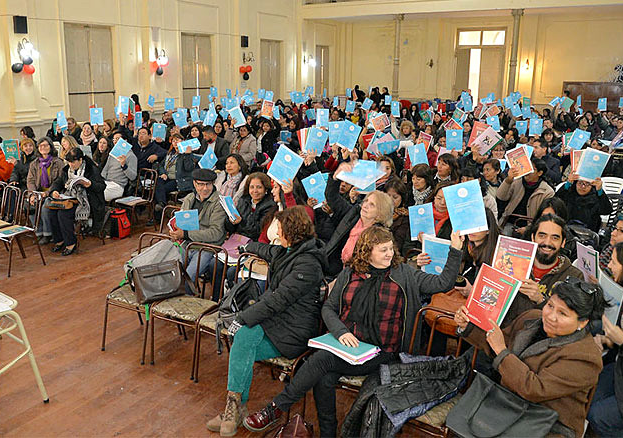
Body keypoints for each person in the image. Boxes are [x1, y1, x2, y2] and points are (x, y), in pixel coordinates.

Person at [244, 225, 464, 436]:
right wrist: (340, 332)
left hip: (384, 352)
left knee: (321, 361)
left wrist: (455, 250)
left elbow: (442, 284)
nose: (390, 253)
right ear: (367, 251)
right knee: (325, 378)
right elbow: (329, 308)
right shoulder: (351, 273)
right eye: (383, 249)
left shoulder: (405, 274)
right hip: (349, 346)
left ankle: (277, 407)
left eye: (391, 248)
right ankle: (327, 433)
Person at [206, 206, 326, 437]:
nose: (276, 234)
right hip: (276, 323)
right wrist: (247, 246)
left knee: (242, 338)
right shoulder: (287, 251)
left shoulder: (308, 265)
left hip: (294, 332)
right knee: (243, 339)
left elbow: (277, 300)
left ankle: (234, 411)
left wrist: (241, 318)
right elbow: (266, 250)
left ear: (291, 233)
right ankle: (235, 407)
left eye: (279, 230)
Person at [454, 277, 606, 438]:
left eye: (563, 313)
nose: (550, 316)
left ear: (582, 323)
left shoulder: (585, 357)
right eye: (550, 306)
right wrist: (467, 326)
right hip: (508, 402)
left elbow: (534, 389)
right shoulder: (532, 317)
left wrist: (501, 350)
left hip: (547, 423)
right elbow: (499, 346)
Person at [588, 241, 623, 436]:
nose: (608, 266)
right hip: (622, 368)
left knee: (598, 415)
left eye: (614, 262)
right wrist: (609, 340)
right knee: (589, 394)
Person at [505, 214, 584, 326]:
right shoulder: (511, 263)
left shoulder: (574, 276)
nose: (547, 243)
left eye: (555, 238)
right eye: (542, 236)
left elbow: (567, 323)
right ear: (533, 238)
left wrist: (541, 300)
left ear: (563, 243)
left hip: (538, 340)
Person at [323, 161, 395, 277]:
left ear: (380, 213)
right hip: (332, 265)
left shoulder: (379, 236)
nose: (365, 205)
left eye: (372, 205)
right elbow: (332, 197)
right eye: (366, 201)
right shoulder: (354, 213)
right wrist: (335, 176)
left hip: (354, 278)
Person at [168, 168, 227, 284]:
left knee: (188, 278)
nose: (204, 188)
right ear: (195, 184)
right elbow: (181, 223)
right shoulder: (190, 198)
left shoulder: (218, 202)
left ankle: (184, 300)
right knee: (171, 271)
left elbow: (216, 233)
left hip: (207, 247)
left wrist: (185, 234)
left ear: (213, 184)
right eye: (200, 184)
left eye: (208, 184)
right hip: (187, 244)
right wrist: (176, 231)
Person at [46, 148, 106, 256]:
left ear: (80, 160)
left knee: (63, 214)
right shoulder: (67, 170)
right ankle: (59, 240)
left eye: (73, 162)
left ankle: (71, 243)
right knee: (51, 212)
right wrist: (54, 191)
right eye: (69, 162)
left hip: (87, 202)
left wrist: (90, 185)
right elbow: (58, 182)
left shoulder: (91, 169)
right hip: (71, 199)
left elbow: (102, 187)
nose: (71, 164)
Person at [497, 158, 554, 229]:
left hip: (532, 226)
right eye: (526, 168)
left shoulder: (547, 191)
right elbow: (501, 197)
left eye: (531, 169)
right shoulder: (516, 181)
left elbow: (544, 217)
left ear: (540, 173)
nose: (527, 172)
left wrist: (529, 228)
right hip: (509, 222)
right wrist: (508, 180)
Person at [27, 137, 66, 244]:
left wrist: (48, 192)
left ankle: (47, 234)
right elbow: (30, 181)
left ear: (50, 147)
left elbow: (59, 180)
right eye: (41, 146)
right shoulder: (34, 163)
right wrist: (33, 194)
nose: (43, 148)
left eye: (45, 145)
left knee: (45, 207)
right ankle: (38, 232)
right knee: (29, 206)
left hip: (53, 192)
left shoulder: (58, 162)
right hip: (38, 192)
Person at [100, 138, 137, 202]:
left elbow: (133, 177)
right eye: (114, 139)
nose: (115, 141)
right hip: (106, 182)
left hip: (118, 185)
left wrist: (124, 165)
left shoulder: (131, 156)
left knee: (98, 194)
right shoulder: (113, 154)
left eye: (118, 139)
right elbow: (105, 170)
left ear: (125, 141)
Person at [385, 178, 410, 255]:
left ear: (402, 198)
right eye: (388, 196)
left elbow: (398, 244)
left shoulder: (405, 218)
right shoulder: (378, 211)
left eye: (395, 197)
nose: (390, 200)